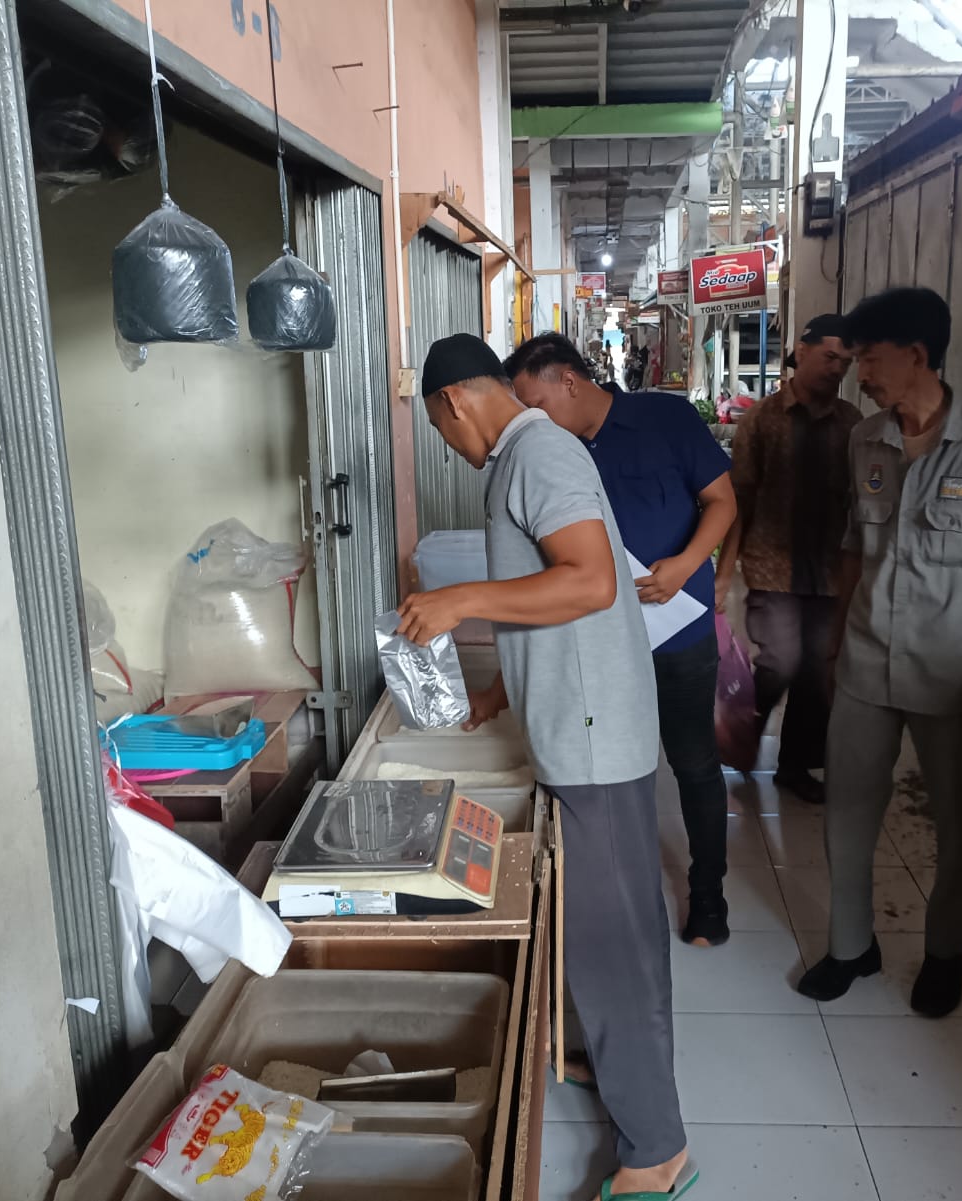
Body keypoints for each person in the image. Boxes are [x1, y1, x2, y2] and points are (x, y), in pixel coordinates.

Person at [397, 333, 696, 1201]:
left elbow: (590, 581)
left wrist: (460, 600)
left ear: (454, 402)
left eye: (440, 429)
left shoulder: (538, 453)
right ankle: (619, 1066)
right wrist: (503, 686)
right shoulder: (526, 456)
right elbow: (553, 597)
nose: (449, 445)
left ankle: (657, 1153)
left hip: (594, 740)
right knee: (615, 930)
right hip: (583, 725)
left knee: (610, 940)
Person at [796, 287, 962, 1018]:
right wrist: (836, 644)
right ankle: (850, 946)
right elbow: (853, 548)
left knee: (956, 821)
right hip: (867, 657)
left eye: (870, 358)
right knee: (848, 809)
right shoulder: (867, 438)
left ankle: (945, 952)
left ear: (918, 355)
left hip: (949, 666)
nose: (859, 373)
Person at [504, 332, 738, 947]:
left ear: (569, 381)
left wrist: (686, 565)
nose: (532, 420)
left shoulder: (664, 418)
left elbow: (722, 501)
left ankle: (708, 895)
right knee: (607, 766)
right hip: (600, 647)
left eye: (536, 404)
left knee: (693, 764)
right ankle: (613, 896)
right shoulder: (551, 454)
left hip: (677, 628)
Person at [714, 315, 860, 805]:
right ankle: (743, 735)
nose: (837, 369)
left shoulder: (852, 425)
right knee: (780, 660)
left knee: (817, 671)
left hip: (830, 573)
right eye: (830, 357)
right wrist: (724, 573)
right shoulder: (764, 419)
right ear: (804, 350)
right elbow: (739, 501)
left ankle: (794, 765)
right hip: (771, 566)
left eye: (846, 362)